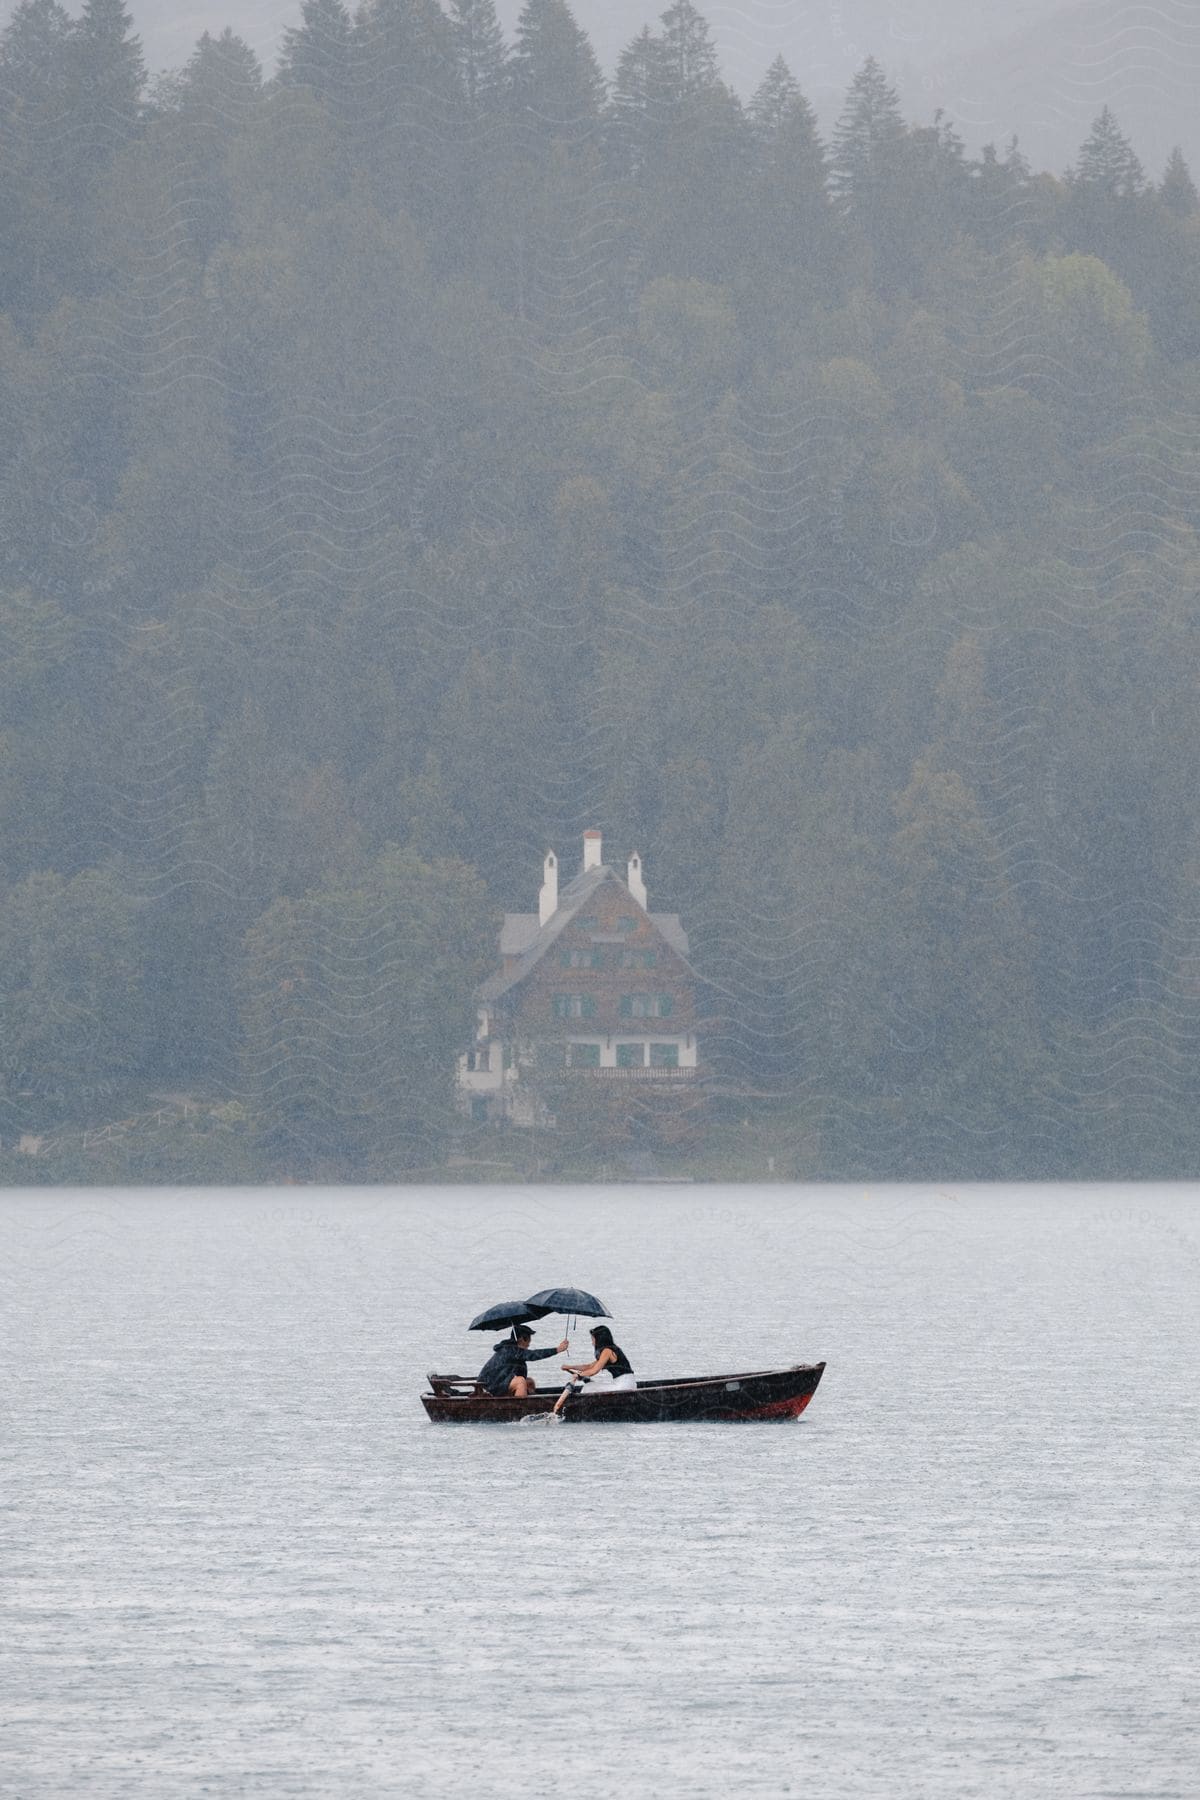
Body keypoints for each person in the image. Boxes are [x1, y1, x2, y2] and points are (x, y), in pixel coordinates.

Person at [552, 1325, 636, 1414]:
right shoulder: (608, 1350)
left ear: (600, 1339)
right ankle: (586, 1409)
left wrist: (579, 1375)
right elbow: (589, 1366)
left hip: (624, 1385)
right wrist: (570, 1367)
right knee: (590, 1386)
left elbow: (594, 1371)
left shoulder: (607, 1351)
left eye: (593, 1339)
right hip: (625, 1383)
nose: (592, 1342)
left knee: (588, 1387)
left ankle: (579, 1410)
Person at [477, 1324, 569, 1398]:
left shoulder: (514, 1351)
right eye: (529, 1340)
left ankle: (536, 1403)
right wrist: (557, 1349)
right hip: (489, 1387)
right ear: (522, 1339)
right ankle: (521, 1410)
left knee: (529, 1382)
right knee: (520, 1381)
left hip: (498, 1383)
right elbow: (533, 1355)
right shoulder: (510, 1350)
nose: (529, 1344)